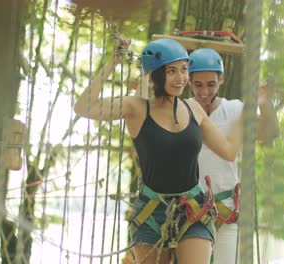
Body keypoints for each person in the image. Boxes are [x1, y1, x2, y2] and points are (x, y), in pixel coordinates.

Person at [74, 38, 244, 264]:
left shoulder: (193, 108)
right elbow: (84, 107)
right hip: (151, 213)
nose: (181, 78)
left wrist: (248, 110)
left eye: (184, 70)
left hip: (192, 210)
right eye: (171, 71)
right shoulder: (136, 107)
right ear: (155, 74)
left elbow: (228, 150)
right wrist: (114, 62)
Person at [187, 48, 280, 264]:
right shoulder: (182, 111)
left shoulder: (235, 110)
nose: (204, 91)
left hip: (225, 210)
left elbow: (270, 132)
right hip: (189, 211)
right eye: (198, 84)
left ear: (221, 79)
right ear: (189, 81)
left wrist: (263, 102)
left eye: (211, 84)